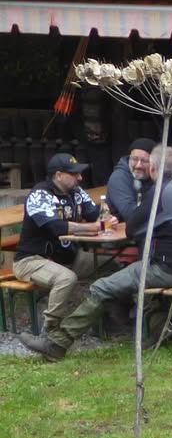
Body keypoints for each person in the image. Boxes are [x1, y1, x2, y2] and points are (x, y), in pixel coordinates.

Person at [46, 150, 172, 354]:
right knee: (142, 283)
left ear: (152, 168)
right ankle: (164, 329)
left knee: (101, 287)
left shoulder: (160, 193)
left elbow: (133, 228)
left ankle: (58, 343)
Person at [16, 153, 109, 362]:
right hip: (31, 260)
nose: (80, 178)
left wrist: (107, 215)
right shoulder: (40, 194)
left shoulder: (76, 192)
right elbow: (55, 227)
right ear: (58, 175)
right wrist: (92, 227)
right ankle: (49, 334)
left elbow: (95, 214)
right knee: (66, 278)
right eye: (74, 174)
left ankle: (113, 321)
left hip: (69, 258)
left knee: (113, 265)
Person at [106, 137, 155, 240]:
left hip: (146, 231)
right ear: (129, 158)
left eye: (144, 161)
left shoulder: (155, 175)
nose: (138, 165)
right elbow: (131, 215)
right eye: (134, 159)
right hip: (119, 238)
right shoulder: (119, 178)